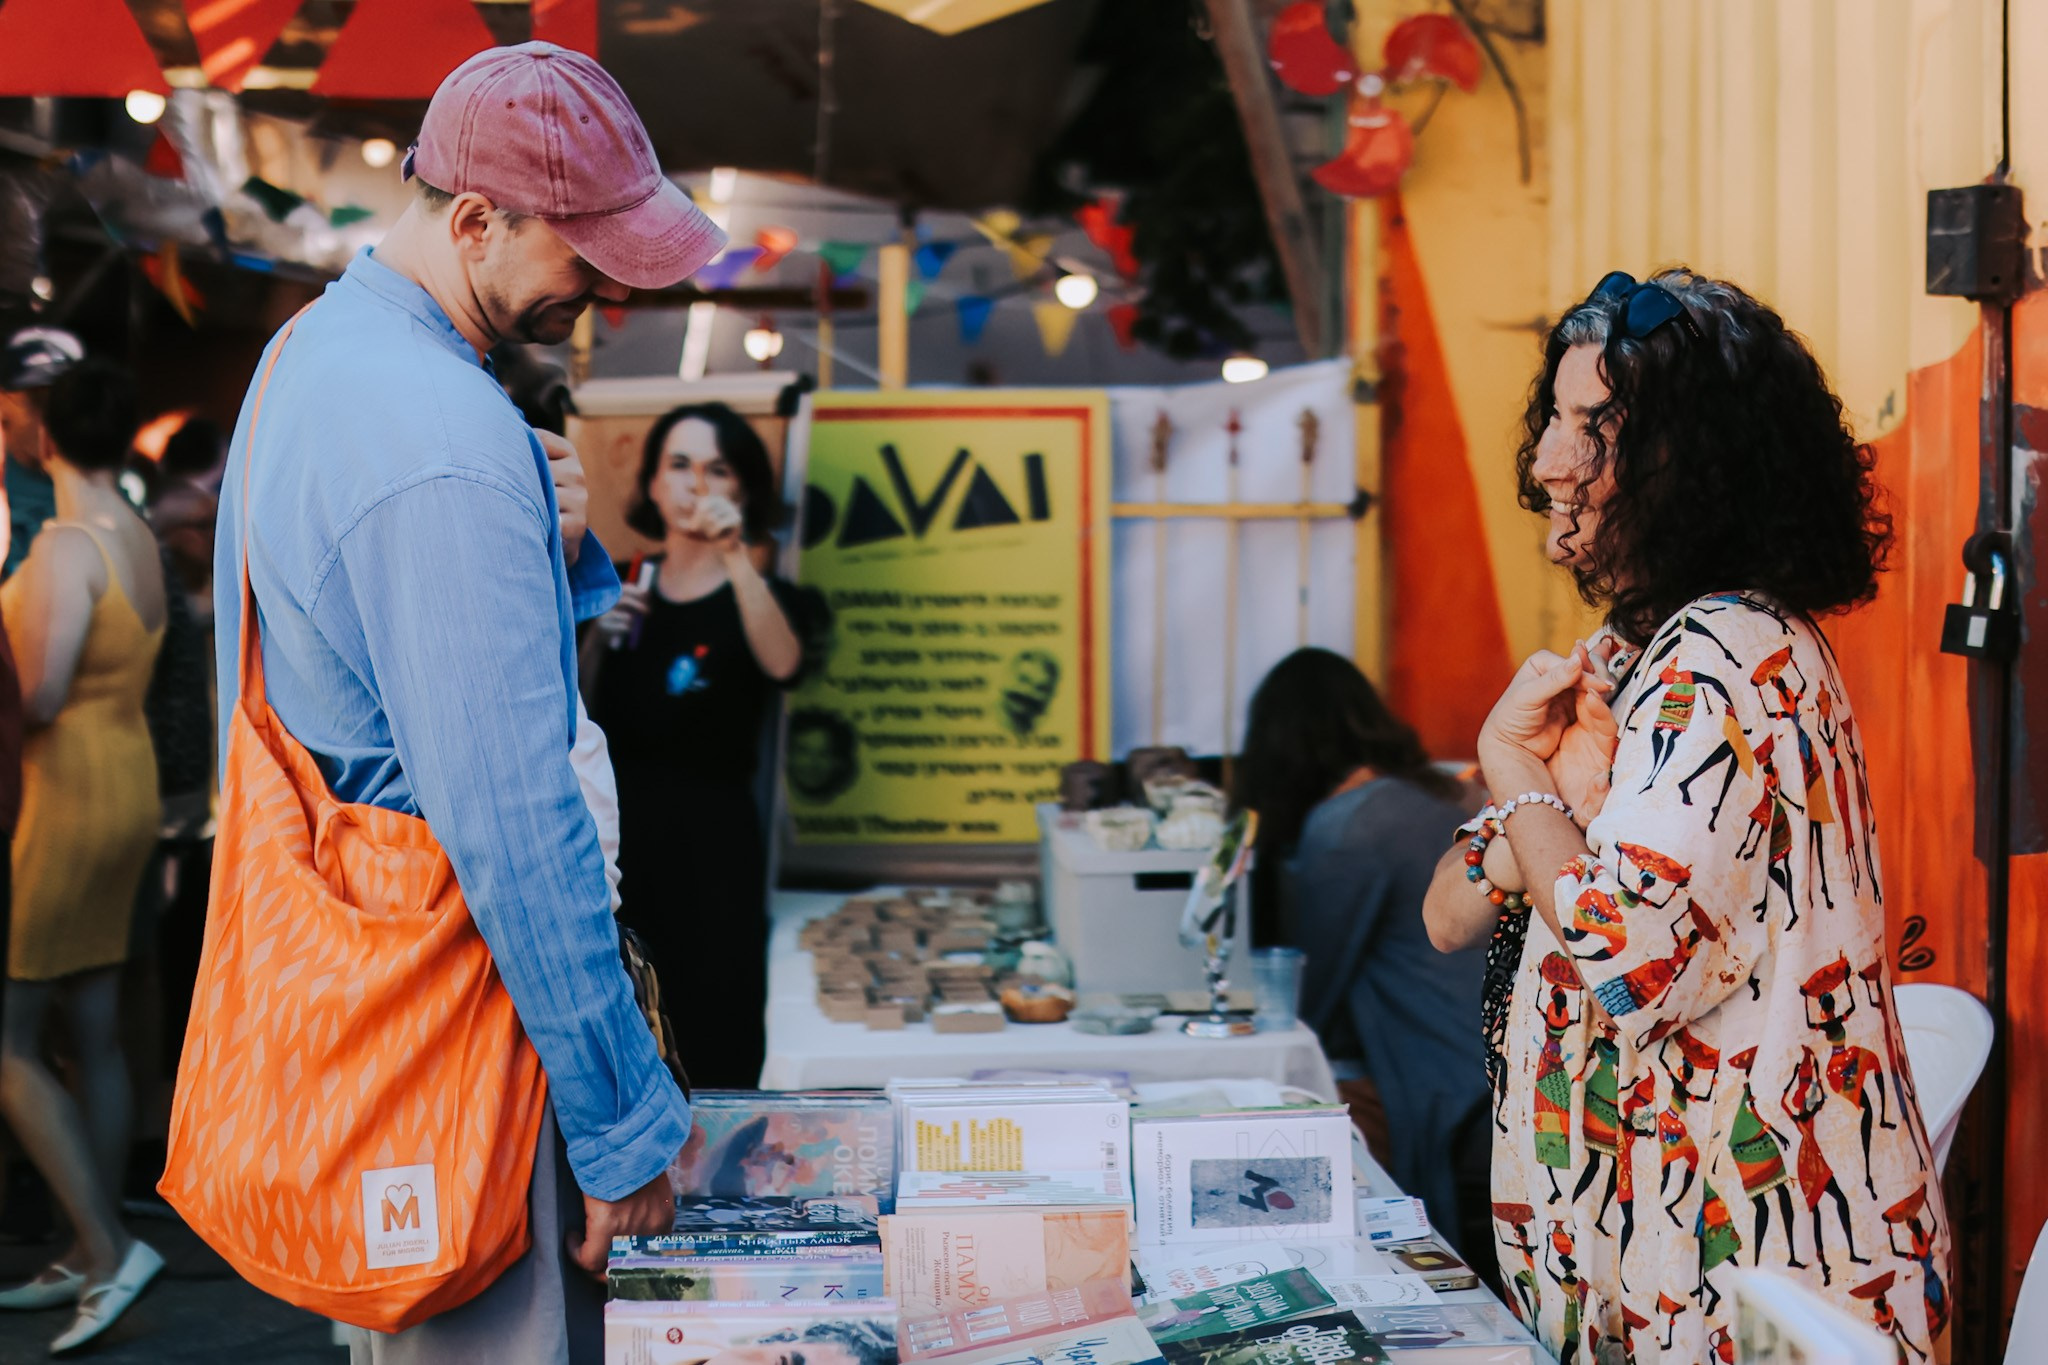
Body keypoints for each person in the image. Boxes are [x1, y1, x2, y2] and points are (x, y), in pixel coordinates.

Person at [206, 44, 726, 1363]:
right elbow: (513, 821)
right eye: (586, 255)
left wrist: (559, 555)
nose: (606, 290)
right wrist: (619, 1125)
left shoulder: (311, 358)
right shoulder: (441, 433)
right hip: (476, 1033)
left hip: (389, 1009)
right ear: (476, 219)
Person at [1421, 269, 1949, 1361]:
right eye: (1554, 421)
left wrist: (1510, 766)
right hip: (1677, 1260)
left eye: (1591, 428)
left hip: (1746, 1282)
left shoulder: (1716, 662)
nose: (1545, 462)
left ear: (1685, 464)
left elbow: (1626, 957)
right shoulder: (1642, 663)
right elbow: (1447, 917)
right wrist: (1538, 800)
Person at [583, 401, 828, 1089]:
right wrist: (598, 637)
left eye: (718, 469)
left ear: (743, 490)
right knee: (632, 1025)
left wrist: (734, 555)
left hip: (715, 850)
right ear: (653, 485)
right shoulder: (623, 583)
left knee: (717, 1026)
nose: (696, 484)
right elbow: (575, 713)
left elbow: (785, 664)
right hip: (624, 851)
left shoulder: (761, 592)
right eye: (680, 465)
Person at [0, 358, 166, 1351]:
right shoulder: (134, 529)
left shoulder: (64, 544)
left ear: (48, 435)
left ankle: (105, 1252)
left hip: (65, 793)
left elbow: (43, 695)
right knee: (92, 1025)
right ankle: (83, 1243)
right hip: (127, 779)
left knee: (9, 1037)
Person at [1231, 648, 1490, 1276]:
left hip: (1442, 1081)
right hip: (1493, 1063)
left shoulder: (1346, 825)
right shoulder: (1438, 791)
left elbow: (1311, 994)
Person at [0, 327, 82, 580]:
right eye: (37, 401)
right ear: (4, 401)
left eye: (61, 402)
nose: (49, 419)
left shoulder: (104, 487)